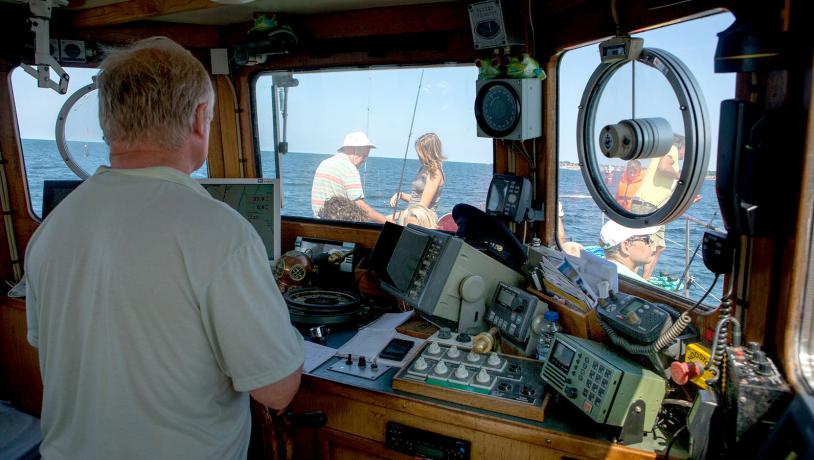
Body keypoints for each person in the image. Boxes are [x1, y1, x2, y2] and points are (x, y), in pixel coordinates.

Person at [24, 37, 304, 459]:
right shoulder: (220, 232)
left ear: (108, 122)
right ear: (200, 117)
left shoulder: (52, 227)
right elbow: (277, 390)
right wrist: (285, 330)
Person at [630, 134, 685, 279]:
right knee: (640, 248)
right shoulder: (671, 148)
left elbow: (663, 187)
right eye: (686, 149)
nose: (685, 154)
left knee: (658, 247)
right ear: (681, 146)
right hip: (647, 205)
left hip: (655, 207)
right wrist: (681, 176)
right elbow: (664, 167)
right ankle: (632, 282)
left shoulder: (663, 153)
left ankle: (644, 281)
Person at [311, 131, 390, 224]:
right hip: (339, 228)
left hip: (318, 223)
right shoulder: (349, 168)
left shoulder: (324, 163)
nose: (364, 160)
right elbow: (360, 207)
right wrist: (388, 222)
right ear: (352, 149)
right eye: (364, 156)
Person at [389, 132, 446, 216]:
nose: (418, 155)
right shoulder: (423, 168)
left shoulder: (435, 173)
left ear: (429, 153)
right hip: (411, 217)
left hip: (423, 221)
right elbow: (416, 199)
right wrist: (401, 195)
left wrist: (395, 216)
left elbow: (421, 207)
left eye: (420, 152)